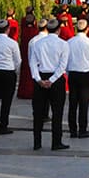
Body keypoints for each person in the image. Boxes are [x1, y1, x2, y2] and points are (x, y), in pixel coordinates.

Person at [29, 18, 70, 151]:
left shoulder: (37, 43)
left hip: (41, 77)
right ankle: (56, 142)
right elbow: (63, 65)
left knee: (38, 112)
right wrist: (52, 80)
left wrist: (38, 79)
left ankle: (37, 142)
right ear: (59, 30)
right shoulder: (63, 44)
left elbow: (32, 63)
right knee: (57, 112)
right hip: (56, 79)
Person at [66, 18, 89, 138]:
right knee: (84, 104)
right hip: (85, 74)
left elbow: (66, 60)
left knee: (72, 103)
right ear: (87, 29)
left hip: (73, 73)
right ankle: (82, 129)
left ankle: (72, 130)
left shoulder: (69, 42)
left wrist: (68, 73)